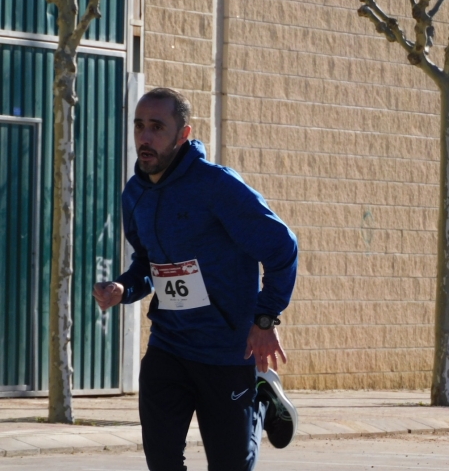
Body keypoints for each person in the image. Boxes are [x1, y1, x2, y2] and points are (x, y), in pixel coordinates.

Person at [92, 88, 299, 471]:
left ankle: (258, 396)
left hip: (225, 351)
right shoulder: (135, 193)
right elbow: (148, 265)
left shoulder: (217, 187)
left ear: (182, 134)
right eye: (139, 126)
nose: (144, 137)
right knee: (163, 463)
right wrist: (124, 288)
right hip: (169, 347)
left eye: (157, 127)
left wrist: (265, 318)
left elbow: (282, 247)